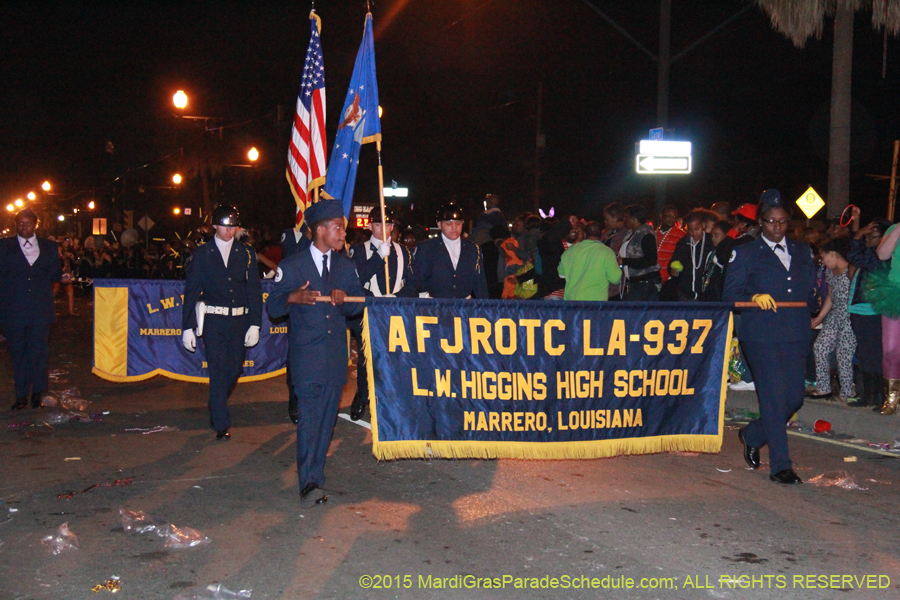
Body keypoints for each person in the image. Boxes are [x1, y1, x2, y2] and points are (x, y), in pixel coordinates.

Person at [268, 199, 366, 508]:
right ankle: (307, 481)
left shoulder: (346, 266)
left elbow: (358, 307)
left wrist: (344, 299)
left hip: (335, 358)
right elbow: (272, 307)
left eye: (343, 229)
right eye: (338, 228)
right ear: (320, 230)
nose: (342, 235)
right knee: (310, 419)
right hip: (306, 358)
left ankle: (316, 474)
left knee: (326, 421)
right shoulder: (292, 266)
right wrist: (292, 298)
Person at [723, 189, 816, 484]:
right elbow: (729, 295)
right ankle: (781, 466)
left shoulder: (802, 251)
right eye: (771, 221)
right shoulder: (746, 251)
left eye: (783, 221)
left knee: (794, 398)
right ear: (760, 222)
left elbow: (810, 289)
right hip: (762, 333)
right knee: (774, 399)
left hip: (796, 330)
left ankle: (753, 434)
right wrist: (753, 295)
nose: (777, 227)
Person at [181, 205, 262, 441]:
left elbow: (254, 291)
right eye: (225, 225)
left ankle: (215, 401)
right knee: (217, 370)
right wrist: (187, 327)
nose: (229, 231)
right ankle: (221, 421)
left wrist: (255, 323)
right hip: (214, 321)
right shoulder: (202, 253)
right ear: (214, 226)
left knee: (234, 368)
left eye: (233, 226)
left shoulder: (246, 253)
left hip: (239, 320)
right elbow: (192, 290)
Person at [348, 206, 416, 420]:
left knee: (395, 356)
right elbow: (356, 282)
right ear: (369, 226)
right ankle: (363, 394)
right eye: (378, 224)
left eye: (387, 224)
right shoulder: (359, 250)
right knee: (368, 357)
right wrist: (379, 257)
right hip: (369, 311)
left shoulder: (404, 251)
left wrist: (396, 298)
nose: (383, 228)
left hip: (395, 311)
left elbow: (413, 283)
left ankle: (391, 399)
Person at [1, 209, 62, 410]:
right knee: (18, 353)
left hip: (40, 310)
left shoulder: (49, 248)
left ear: (35, 224)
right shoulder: (5, 246)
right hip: (14, 309)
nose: (23, 227)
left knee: (38, 352)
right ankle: (21, 396)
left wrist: (50, 295)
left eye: (27, 224)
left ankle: (37, 393)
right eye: (20, 223)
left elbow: (55, 276)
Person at [846, 208, 891, 407]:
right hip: (860, 310)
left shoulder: (882, 257)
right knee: (865, 354)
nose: (867, 238)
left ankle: (878, 396)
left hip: (871, 310)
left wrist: (858, 234)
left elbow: (854, 256)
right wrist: (857, 230)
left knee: (873, 354)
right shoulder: (873, 254)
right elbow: (855, 252)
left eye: (871, 236)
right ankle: (868, 395)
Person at [809, 238, 857, 401]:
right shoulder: (830, 272)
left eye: (824, 257)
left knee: (844, 353)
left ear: (833, 254)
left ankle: (847, 391)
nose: (822, 261)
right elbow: (830, 295)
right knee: (820, 347)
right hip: (835, 315)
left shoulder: (850, 270)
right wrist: (820, 317)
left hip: (849, 316)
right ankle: (823, 388)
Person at [414, 203, 489, 299]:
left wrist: (484, 309)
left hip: (463, 309)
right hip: (434, 308)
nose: (454, 227)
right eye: (448, 224)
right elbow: (417, 281)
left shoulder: (473, 249)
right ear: (439, 225)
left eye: (458, 223)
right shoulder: (425, 248)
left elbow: (480, 284)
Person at [865, 218, 900, 415]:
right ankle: (892, 397)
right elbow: (882, 254)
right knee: (891, 349)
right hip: (895, 294)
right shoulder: (896, 229)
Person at [279, 222, 313, 424]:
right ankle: (295, 399)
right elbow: (290, 259)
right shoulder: (291, 236)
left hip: (322, 308)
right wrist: (306, 237)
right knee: (297, 357)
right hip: (300, 307)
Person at [557, 220, 621, 301]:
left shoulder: (570, 251)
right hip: (595, 304)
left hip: (572, 302)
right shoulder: (607, 252)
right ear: (602, 233)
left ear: (584, 233)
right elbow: (615, 279)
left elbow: (561, 275)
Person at [668, 210, 714, 301]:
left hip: (706, 296)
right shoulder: (683, 243)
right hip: (685, 294)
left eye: (697, 229)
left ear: (703, 225)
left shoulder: (711, 241)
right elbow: (674, 261)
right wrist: (673, 271)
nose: (694, 232)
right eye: (690, 229)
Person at [619, 204, 661, 301]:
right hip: (635, 282)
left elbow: (650, 260)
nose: (624, 220)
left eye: (626, 218)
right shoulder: (631, 233)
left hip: (645, 282)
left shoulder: (646, 234)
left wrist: (625, 261)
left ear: (633, 219)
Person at [655, 204, 685, 284]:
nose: (671, 219)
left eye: (674, 217)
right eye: (668, 216)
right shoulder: (654, 233)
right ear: (661, 216)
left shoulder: (681, 235)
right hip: (653, 278)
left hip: (669, 279)